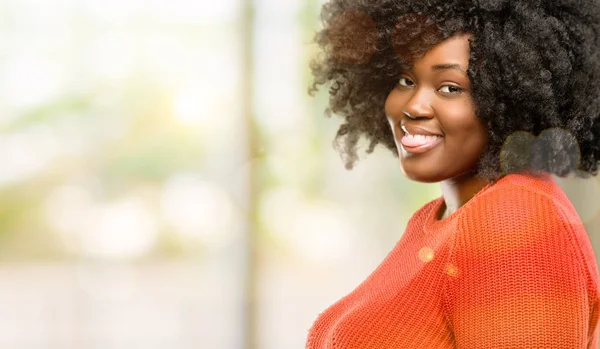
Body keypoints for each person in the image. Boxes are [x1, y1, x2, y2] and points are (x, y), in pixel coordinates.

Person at [305, 1, 600, 348]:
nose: (413, 106)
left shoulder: (514, 218)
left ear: (511, 94)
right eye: (405, 79)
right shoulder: (437, 219)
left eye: (450, 87)